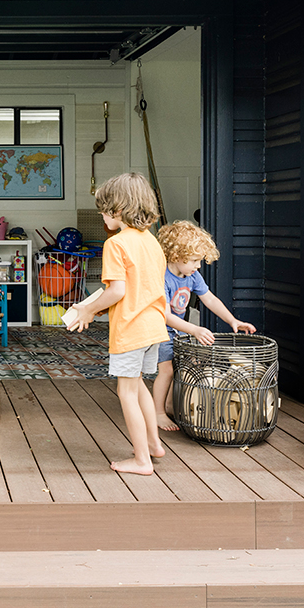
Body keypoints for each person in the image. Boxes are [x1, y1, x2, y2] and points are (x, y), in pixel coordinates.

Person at [61, 173, 167, 474]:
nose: (101, 216)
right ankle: (154, 445)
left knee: (126, 392)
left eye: (103, 210)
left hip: (131, 329)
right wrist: (101, 308)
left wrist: (87, 310)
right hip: (153, 327)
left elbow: (117, 291)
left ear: (117, 210)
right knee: (139, 388)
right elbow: (140, 289)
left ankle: (142, 460)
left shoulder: (117, 245)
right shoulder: (152, 242)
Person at [152, 220, 257, 431]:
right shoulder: (162, 277)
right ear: (176, 256)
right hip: (161, 330)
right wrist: (194, 329)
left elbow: (210, 299)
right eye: (194, 260)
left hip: (180, 330)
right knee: (167, 371)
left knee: (183, 367)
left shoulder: (192, 275)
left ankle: (171, 405)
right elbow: (163, 315)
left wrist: (232, 320)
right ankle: (158, 412)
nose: (198, 266)